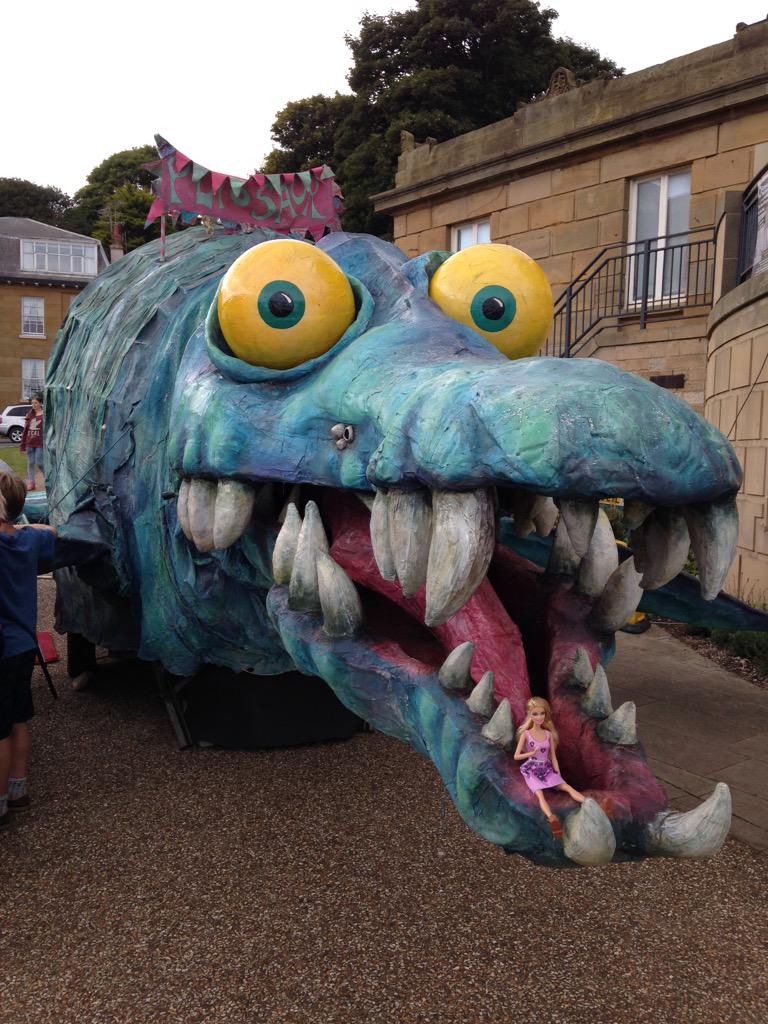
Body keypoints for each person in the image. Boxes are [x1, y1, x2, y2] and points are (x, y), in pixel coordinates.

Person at [0, 471, 56, 830]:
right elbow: (50, 531)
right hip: (22, 647)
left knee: (0, 730)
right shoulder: (28, 540)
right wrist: (27, 527)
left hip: (3, 649)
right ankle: (18, 789)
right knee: (17, 719)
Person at [513, 696, 585, 839]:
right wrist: (530, 753)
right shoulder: (526, 734)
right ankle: (552, 819)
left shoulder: (548, 734)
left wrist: (557, 771)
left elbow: (552, 755)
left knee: (567, 787)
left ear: (546, 714)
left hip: (546, 767)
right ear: (529, 715)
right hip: (532, 769)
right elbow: (516, 756)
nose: (539, 717)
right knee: (540, 794)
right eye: (535, 714)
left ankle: (592, 805)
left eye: (542, 713)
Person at [19, 393, 44, 492]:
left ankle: (49, 479)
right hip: (29, 443)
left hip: (39, 443)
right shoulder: (29, 415)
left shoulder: (44, 415)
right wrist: (23, 445)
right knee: (30, 463)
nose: (34, 405)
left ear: (40, 403)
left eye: (36, 403)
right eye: (33, 403)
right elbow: (25, 430)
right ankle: (31, 483)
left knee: (40, 463)